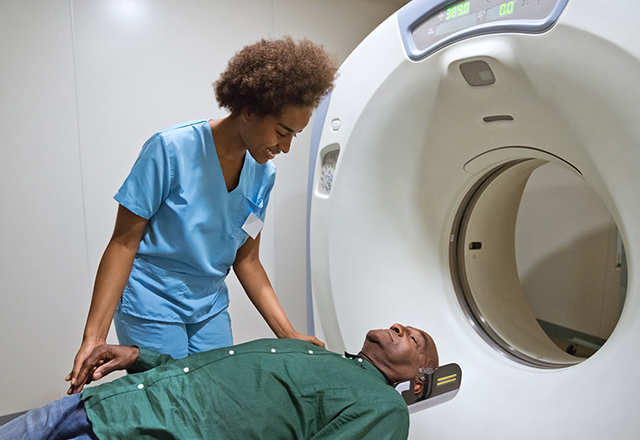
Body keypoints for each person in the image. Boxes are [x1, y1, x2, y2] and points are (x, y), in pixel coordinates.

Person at [66, 36, 339, 393]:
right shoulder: (170, 149)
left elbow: (248, 260)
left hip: (208, 305)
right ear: (250, 110)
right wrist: (94, 337)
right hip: (153, 299)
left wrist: (289, 334)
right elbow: (123, 243)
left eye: (294, 137)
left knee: (218, 395)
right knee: (172, 402)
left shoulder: (262, 173)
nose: (285, 148)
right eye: (282, 132)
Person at [3, 324, 438, 439]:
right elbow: (206, 370)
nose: (400, 327)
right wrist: (136, 356)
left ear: (417, 381)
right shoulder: (311, 351)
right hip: (108, 403)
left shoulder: (385, 409)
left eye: (414, 338)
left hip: (150, 432)